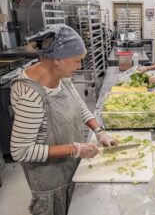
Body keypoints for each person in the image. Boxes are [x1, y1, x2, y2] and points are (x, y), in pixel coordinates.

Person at [10, 24, 118, 215]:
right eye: (77, 61)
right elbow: (20, 151)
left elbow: (80, 106)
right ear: (57, 59)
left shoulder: (61, 77)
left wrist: (99, 131)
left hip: (70, 168)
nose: (80, 66)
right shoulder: (30, 94)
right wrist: (75, 149)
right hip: (51, 183)